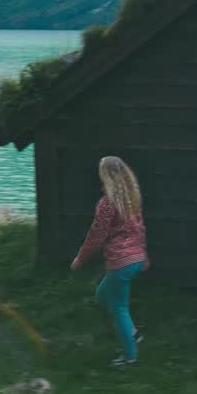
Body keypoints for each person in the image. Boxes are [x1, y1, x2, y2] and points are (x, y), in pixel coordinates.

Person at [71, 156, 149, 366]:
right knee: (102, 295)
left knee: (119, 308)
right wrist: (144, 256)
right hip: (135, 259)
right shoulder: (133, 200)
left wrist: (81, 258)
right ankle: (131, 334)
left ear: (106, 177)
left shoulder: (107, 204)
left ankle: (129, 355)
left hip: (120, 262)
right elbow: (140, 229)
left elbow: (96, 236)